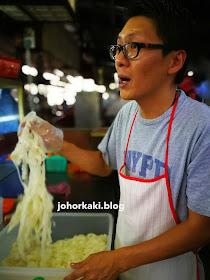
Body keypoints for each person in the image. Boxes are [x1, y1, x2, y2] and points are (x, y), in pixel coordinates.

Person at [20, 0, 210, 279]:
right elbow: (103, 163)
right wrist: (58, 142)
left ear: (174, 61)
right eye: (118, 48)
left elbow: (202, 227)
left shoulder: (200, 126)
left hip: (171, 271)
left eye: (133, 47)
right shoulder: (128, 115)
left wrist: (118, 260)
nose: (120, 59)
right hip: (123, 264)